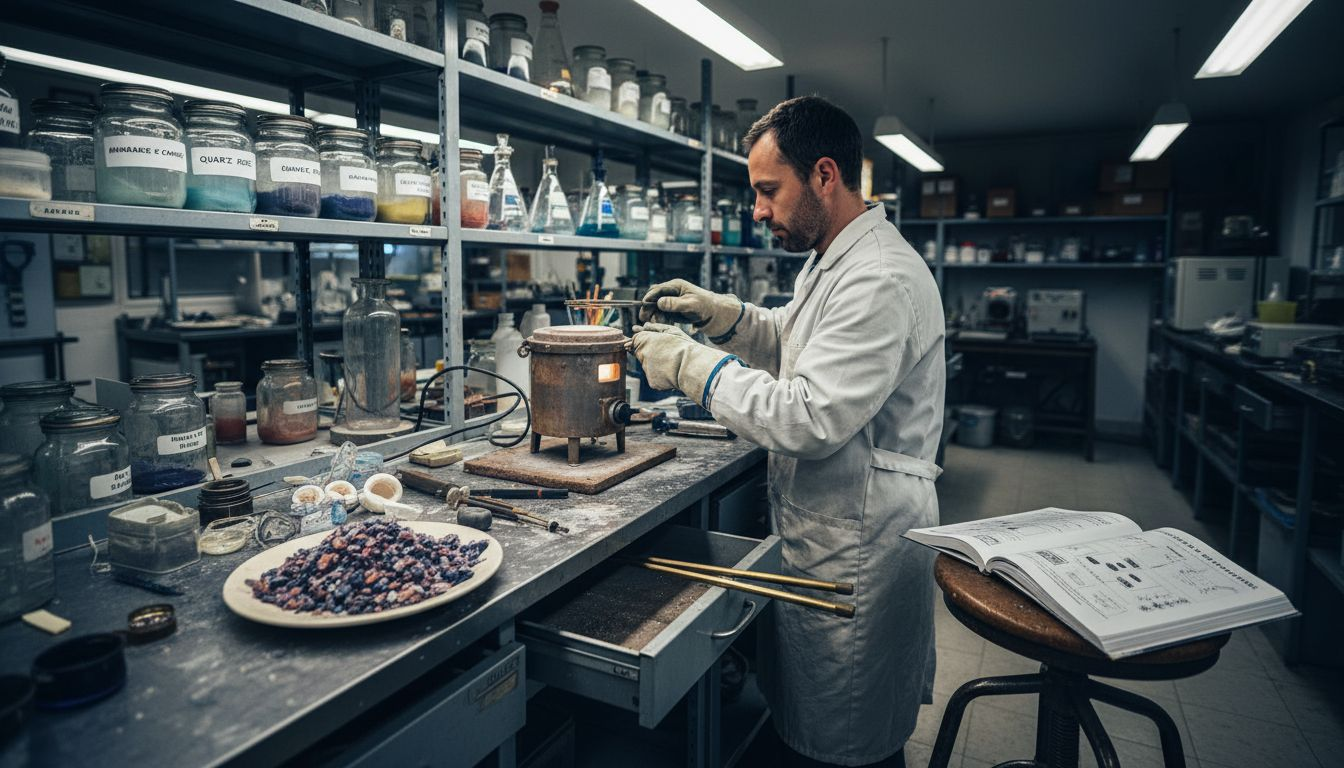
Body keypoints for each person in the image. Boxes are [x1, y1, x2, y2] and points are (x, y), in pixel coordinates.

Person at [631, 95, 945, 768]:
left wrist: (690, 363)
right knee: (812, 725)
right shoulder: (834, 257)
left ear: (825, 176)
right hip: (830, 525)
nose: (759, 210)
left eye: (769, 191)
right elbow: (797, 338)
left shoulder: (880, 278)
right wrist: (729, 318)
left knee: (847, 742)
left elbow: (810, 416)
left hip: (857, 543)